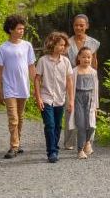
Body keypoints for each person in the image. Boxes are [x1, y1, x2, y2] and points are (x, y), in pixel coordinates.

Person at [0, 14, 36, 159]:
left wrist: (36, 85)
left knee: (20, 117)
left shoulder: (27, 46)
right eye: (19, 28)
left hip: (23, 87)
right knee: (13, 118)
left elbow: (31, 67)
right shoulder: (3, 48)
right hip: (9, 88)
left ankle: (18, 142)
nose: (21, 31)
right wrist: (0, 92)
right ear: (11, 29)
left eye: (23, 29)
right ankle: (13, 146)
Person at [63, 13, 100, 149]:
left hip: (88, 79)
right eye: (76, 25)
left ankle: (87, 143)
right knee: (70, 111)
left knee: (89, 113)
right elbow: (63, 62)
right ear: (73, 26)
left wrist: (94, 76)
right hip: (71, 78)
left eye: (81, 25)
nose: (79, 28)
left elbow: (95, 62)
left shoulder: (93, 43)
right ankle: (69, 141)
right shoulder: (67, 43)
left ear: (87, 26)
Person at [34, 32, 73, 164]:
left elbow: (69, 81)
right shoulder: (43, 61)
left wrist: (71, 100)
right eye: (60, 44)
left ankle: (55, 148)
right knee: (49, 124)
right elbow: (37, 79)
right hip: (46, 97)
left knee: (58, 125)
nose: (63, 47)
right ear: (52, 44)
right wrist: (38, 98)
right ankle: (51, 152)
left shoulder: (66, 62)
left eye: (64, 45)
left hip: (60, 99)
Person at [69, 46, 99, 159]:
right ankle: (80, 150)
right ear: (79, 58)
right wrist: (70, 102)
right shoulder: (74, 71)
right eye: (84, 57)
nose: (86, 59)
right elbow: (70, 88)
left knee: (91, 125)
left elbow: (96, 89)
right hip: (78, 99)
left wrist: (96, 106)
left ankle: (87, 142)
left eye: (89, 57)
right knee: (81, 125)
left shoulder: (93, 72)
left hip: (90, 99)